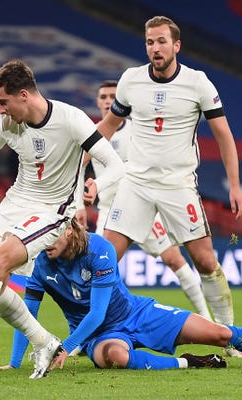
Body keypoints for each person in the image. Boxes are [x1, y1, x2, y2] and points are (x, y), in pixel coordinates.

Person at [0, 60, 125, 379]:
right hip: (16, 202)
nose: (1, 110)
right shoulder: (7, 124)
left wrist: (96, 185)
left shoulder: (71, 119)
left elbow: (116, 165)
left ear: (23, 95)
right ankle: (44, 342)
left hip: (54, 209)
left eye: (3, 102)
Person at [95, 16, 242, 355]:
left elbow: (223, 135)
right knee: (102, 260)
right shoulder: (131, 80)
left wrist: (234, 186)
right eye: (150, 42)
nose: (155, 48)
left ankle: (230, 339)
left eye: (162, 41)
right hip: (135, 184)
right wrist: (77, 159)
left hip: (178, 185)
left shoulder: (197, 83)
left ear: (176, 45)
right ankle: (88, 333)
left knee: (206, 262)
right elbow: (109, 124)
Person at [0, 218, 242, 372]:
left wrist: (64, 349)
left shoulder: (99, 249)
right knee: (116, 358)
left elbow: (98, 310)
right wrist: (14, 364)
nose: (45, 242)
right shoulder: (38, 262)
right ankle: (189, 363)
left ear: (69, 230)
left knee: (220, 333)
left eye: (52, 235)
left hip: (135, 314)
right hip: (99, 336)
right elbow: (27, 313)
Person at [89, 80, 211, 320]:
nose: (107, 101)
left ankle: (207, 319)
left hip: (141, 205)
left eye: (112, 96)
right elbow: (78, 166)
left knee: (175, 260)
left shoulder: (138, 130)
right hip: (109, 211)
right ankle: (93, 330)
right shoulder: (92, 134)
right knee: (100, 271)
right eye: (103, 96)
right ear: (97, 101)